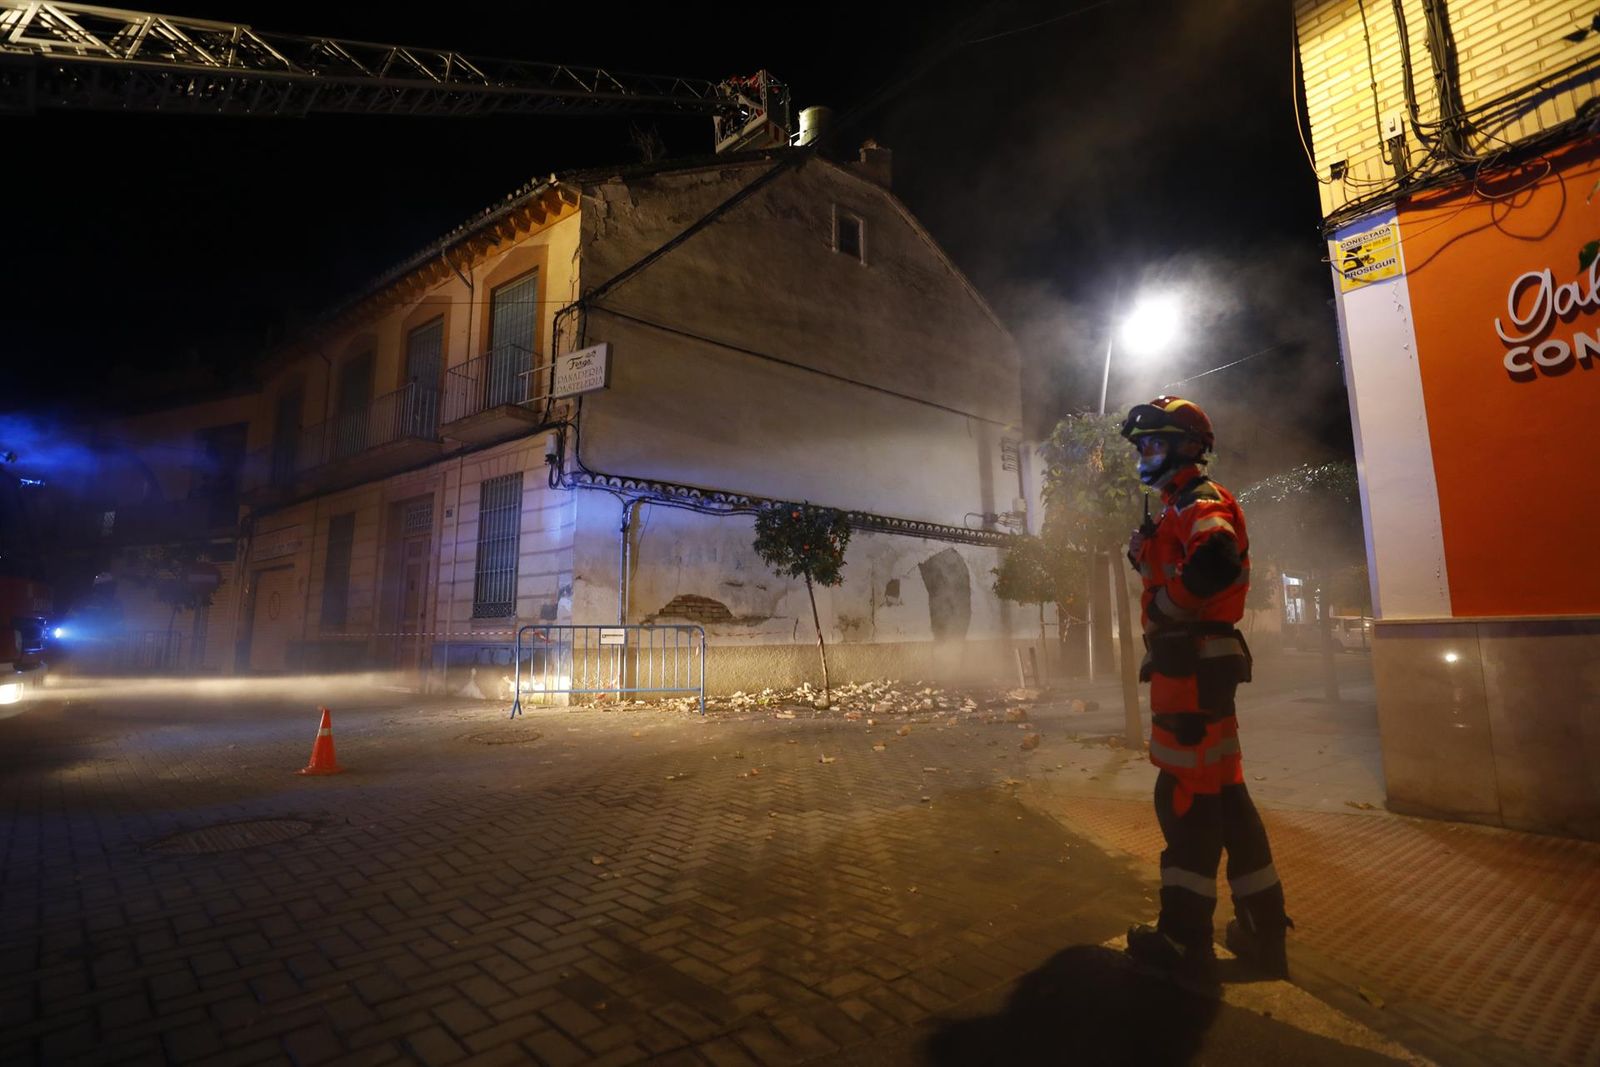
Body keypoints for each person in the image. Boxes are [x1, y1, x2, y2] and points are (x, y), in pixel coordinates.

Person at [1118, 395, 1291, 980]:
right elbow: (1190, 565)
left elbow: (1213, 560)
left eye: (1156, 442)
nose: (1146, 453)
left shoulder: (1199, 501)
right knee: (1227, 799)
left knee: (1186, 800)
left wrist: (1166, 605)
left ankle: (1182, 938)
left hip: (1190, 670)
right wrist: (1147, 559)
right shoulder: (1177, 508)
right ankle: (1262, 930)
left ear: (1190, 447)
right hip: (1196, 668)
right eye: (1143, 444)